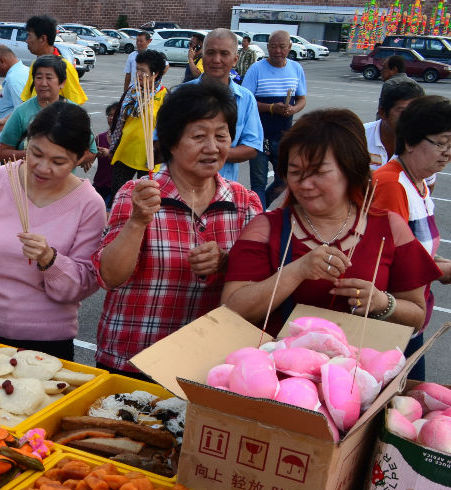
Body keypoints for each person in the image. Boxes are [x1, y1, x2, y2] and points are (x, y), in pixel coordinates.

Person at [93, 80, 262, 377]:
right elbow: (109, 277)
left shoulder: (244, 203)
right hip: (132, 360)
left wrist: (225, 263)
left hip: (204, 368)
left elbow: (256, 288)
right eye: (199, 136)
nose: (212, 148)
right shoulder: (137, 194)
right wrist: (137, 222)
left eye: (221, 136)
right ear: (172, 142)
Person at [223, 108, 438, 336]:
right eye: (295, 172)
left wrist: (381, 302)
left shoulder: (390, 227)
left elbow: (417, 314)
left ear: (350, 170)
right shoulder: (266, 228)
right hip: (279, 367)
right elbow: (231, 309)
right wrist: (296, 271)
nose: (305, 184)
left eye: (319, 172)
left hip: (359, 368)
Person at [0, 101, 105, 360]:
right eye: (36, 153)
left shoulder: (89, 204)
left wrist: (50, 259)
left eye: (58, 161)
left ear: (81, 157)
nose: (42, 167)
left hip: (48, 344)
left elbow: (84, 282)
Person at [371, 95, 451, 377]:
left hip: (411, 318)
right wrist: (442, 270)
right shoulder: (392, 185)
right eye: (441, 143)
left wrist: (438, 264)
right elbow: (391, 262)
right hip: (390, 322)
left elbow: (420, 252)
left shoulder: (418, 183)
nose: (447, 153)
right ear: (410, 142)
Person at [186, 29, 263, 184]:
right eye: (211, 52)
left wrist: (210, 154)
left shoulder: (246, 99)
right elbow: (161, 140)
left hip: (224, 189)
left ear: (235, 59)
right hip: (182, 187)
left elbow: (252, 147)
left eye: (224, 54)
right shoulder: (182, 95)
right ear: (203, 55)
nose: (216, 59)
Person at [242, 31, 308, 209]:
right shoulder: (256, 69)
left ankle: (259, 209)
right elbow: (246, 101)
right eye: (273, 46)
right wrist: (271, 108)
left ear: (290, 47)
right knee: (258, 185)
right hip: (258, 137)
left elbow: (302, 99)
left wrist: (293, 109)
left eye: (282, 46)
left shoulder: (296, 69)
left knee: (284, 181)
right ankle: (259, 218)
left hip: (284, 137)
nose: (277, 51)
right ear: (267, 47)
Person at [0, 55, 97, 169]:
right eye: (39, 77)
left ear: (62, 83)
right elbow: (2, 153)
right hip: (27, 183)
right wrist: (33, 155)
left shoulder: (74, 113)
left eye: (49, 78)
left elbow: (91, 152)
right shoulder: (21, 112)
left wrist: (64, 162)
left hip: (63, 184)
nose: (43, 83)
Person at [109, 50, 168, 195]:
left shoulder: (165, 96)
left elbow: (168, 129)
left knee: (146, 197)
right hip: (125, 152)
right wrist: (113, 143)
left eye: (143, 70)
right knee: (120, 195)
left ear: (155, 73)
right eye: (138, 69)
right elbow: (118, 119)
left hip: (149, 157)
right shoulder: (131, 92)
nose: (139, 74)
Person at [20, 16, 86, 106]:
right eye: (39, 77)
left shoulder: (65, 67)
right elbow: (26, 102)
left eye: (29, 36)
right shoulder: (35, 65)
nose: (26, 40)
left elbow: (75, 106)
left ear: (43, 39)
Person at [365, 78, 425, 170]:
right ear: (382, 113)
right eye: (402, 111)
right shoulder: (360, 136)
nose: (411, 117)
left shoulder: (424, 145)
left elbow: (426, 184)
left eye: (416, 111)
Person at [0, 45, 28, 132]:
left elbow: (22, 110)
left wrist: (4, 122)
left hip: (12, 135)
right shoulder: (24, 70)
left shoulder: (14, 78)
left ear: (1, 61)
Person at [94, 102, 120, 206]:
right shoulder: (100, 137)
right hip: (99, 183)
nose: (111, 118)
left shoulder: (126, 138)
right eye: (109, 115)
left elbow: (127, 161)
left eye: (115, 115)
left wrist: (109, 154)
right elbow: (89, 157)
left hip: (116, 186)